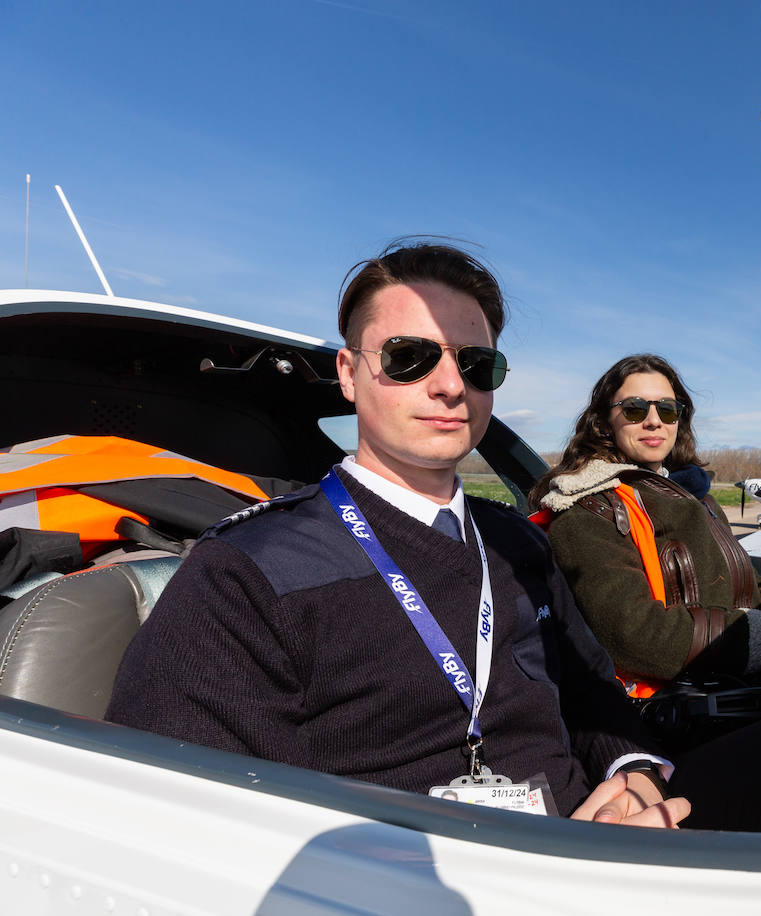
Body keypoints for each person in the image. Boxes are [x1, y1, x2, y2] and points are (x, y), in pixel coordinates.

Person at [106, 242, 685, 828]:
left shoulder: (520, 543)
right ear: (349, 374)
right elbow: (176, 819)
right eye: (409, 356)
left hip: (598, 839)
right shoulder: (246, 572)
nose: (450, 386)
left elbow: (592, 692)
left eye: (476, 363)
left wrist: (632, 775)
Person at [530, 354, 761, 711]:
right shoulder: (588, 508)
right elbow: (636, 638)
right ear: (603, 422)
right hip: (692, 693)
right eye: (634, 409)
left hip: (733, 659)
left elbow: (736, 580)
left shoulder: (689, 495)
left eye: (667, 409)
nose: (654, 421)